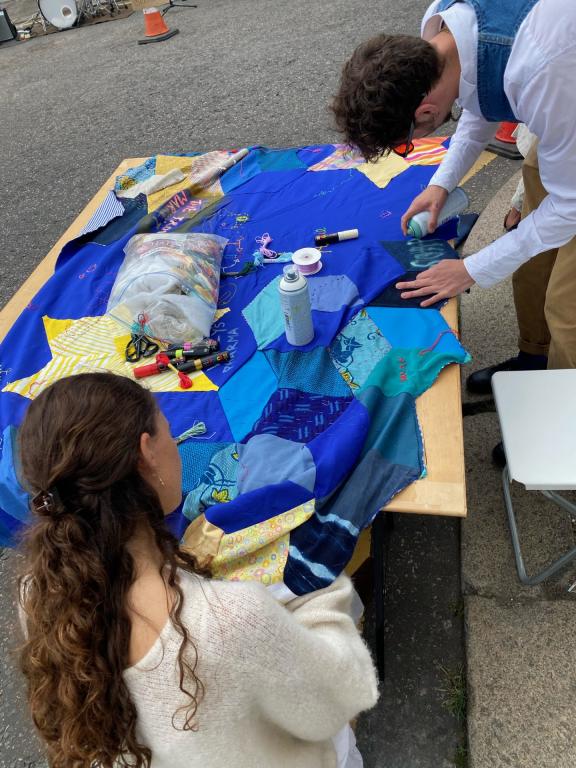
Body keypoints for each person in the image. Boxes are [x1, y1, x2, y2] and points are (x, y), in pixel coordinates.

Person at [16, 372, 378, 768]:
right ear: (146, 453)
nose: (175, 445)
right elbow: (343, 695)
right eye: (170, 433)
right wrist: (321, 588)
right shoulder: (230, 620)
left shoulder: (39, 590)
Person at [331, 0, 576, 461]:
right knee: (534, 264)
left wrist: (470, 269)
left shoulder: (542, 70)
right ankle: (535, 360)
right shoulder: (443, 27)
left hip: (564, 92)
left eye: (409, 141)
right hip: (564, 102)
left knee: (568, 309)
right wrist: (440, 184)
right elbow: (480, 104)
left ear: (425, 111)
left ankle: (564, 431)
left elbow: (569, 207)